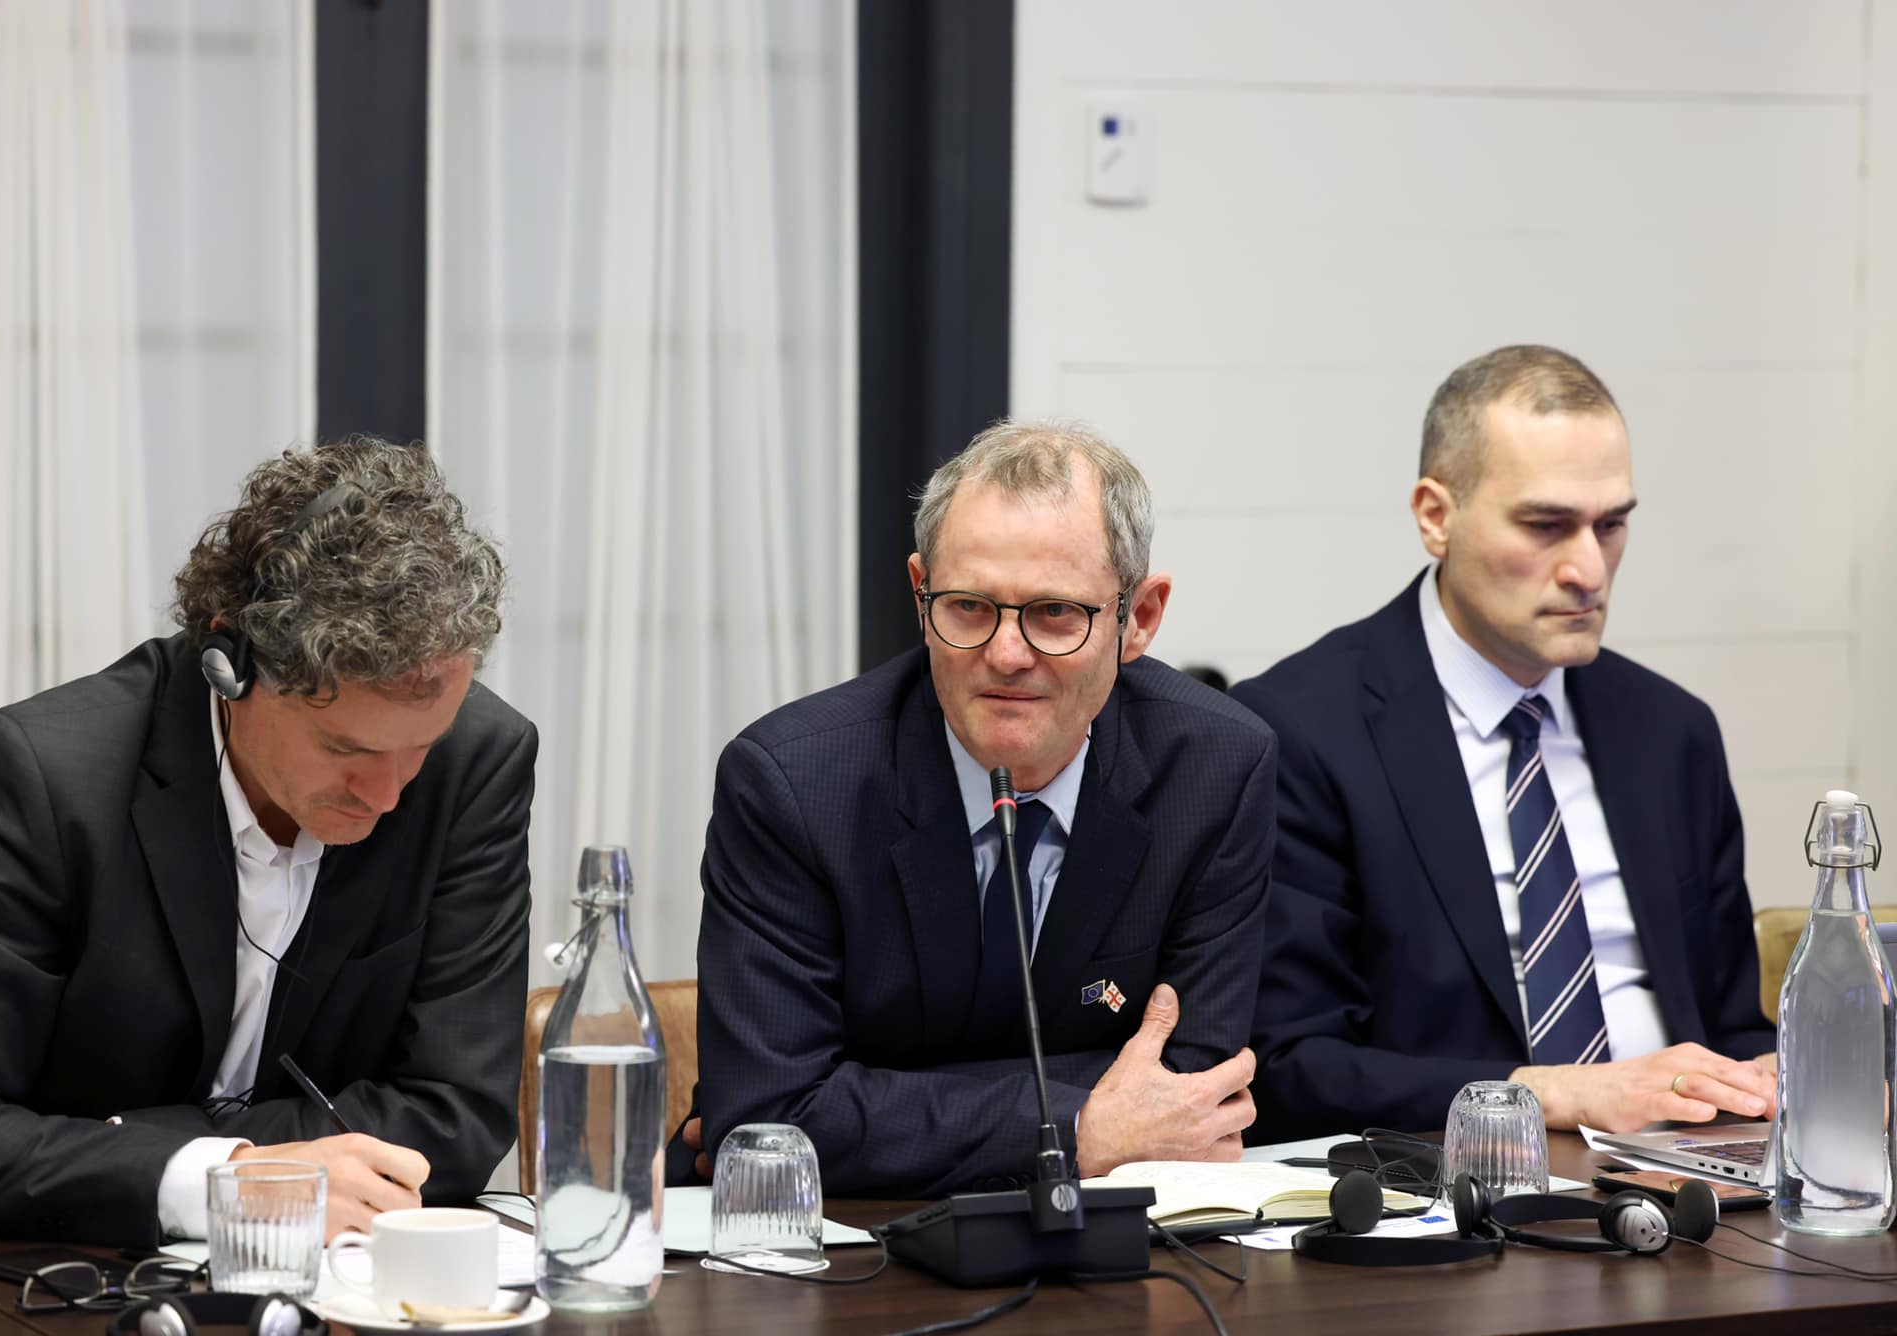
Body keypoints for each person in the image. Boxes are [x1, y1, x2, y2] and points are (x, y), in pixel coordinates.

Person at [0, 439, 537, 1247]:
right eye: (346, 749)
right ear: (228, 666)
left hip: (338, 1279)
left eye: (419, 747)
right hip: (54, 1272)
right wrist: (216, 1178)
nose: (386, 795)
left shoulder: (478, 762)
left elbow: (456, 1114)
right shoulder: (48, 776)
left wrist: (143, 1143)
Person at [678, 420, 1274, 1196]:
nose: (1006, 655)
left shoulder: (1215, 769)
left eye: (1055, 612)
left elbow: (1190, 1098)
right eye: (968, 607)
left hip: (1108, 1237)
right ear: (920, 594)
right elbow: (769, 1120)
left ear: (1140, 618)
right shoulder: (794, 783)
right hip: (831, 1239)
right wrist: (1080, 1130)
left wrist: (871, 1101)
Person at [1231, 346, 1775, 1142]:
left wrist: (1777, 1078)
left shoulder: (1672, 732)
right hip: (1450, 1184)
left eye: (1611, 525)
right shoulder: (1300, 731)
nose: (1588, 570)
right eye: (1546, 526)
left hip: (1692, 1165)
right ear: (1435, 517)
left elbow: (1730, 1026)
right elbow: (1289, 1066)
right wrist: (1558, 1096)